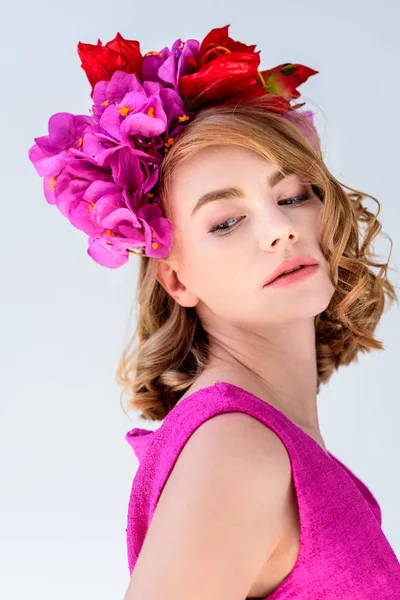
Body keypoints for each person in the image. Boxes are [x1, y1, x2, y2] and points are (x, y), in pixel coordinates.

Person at [28, 25, 400, 600]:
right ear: (175, 278)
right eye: (226, 221)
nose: (281, 230)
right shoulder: (237, 450)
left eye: (293, 195)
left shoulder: (260, 439)